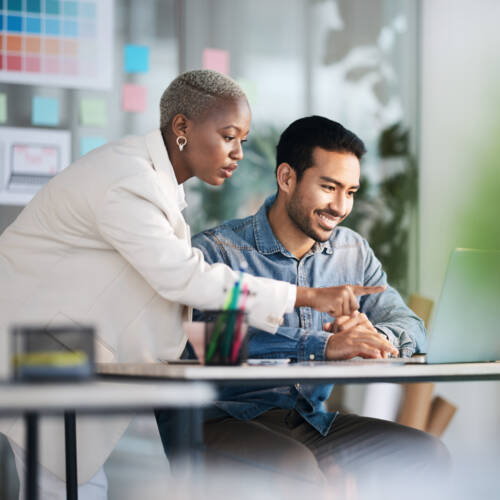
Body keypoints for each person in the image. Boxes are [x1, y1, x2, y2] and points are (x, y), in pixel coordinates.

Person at [0, 74, 382, 500]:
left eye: (243, 139)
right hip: (41, 343)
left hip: (64, 344)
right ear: (182, 128)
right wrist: (304, 298)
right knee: (65, 485)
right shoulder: (129, 181)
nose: (239, 153)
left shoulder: (154, 183)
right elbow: (184, 279)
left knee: (71, 482)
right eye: (228, 137)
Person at [159, 115, 450, 495]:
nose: (341, 206)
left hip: (310, 422)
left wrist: (375, 335)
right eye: (329, 187)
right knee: (297, 468)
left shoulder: (351, 252)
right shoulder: (218, 251)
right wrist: (322, 345)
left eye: (351, 191)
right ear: (286, 178)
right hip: (217, 421)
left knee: (425, 454)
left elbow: (409, 323)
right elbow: (206, 344)